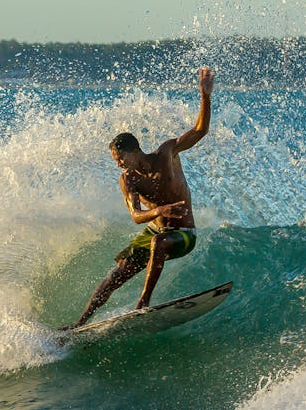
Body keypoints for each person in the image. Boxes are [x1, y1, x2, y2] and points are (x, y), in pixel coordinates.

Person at [64, 67, 214, 329]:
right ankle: (79, 323)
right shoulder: (128, 180)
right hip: (155, 228)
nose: (119, 164)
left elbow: (200, 131)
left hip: (184, 233)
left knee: (159, 242)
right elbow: (135, 216)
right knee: (116, 275)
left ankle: (143, 303)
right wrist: (158, 211)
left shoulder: (167, 154)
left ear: (134, 151)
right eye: (116, 161)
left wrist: (205, 96)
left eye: (121, 158)